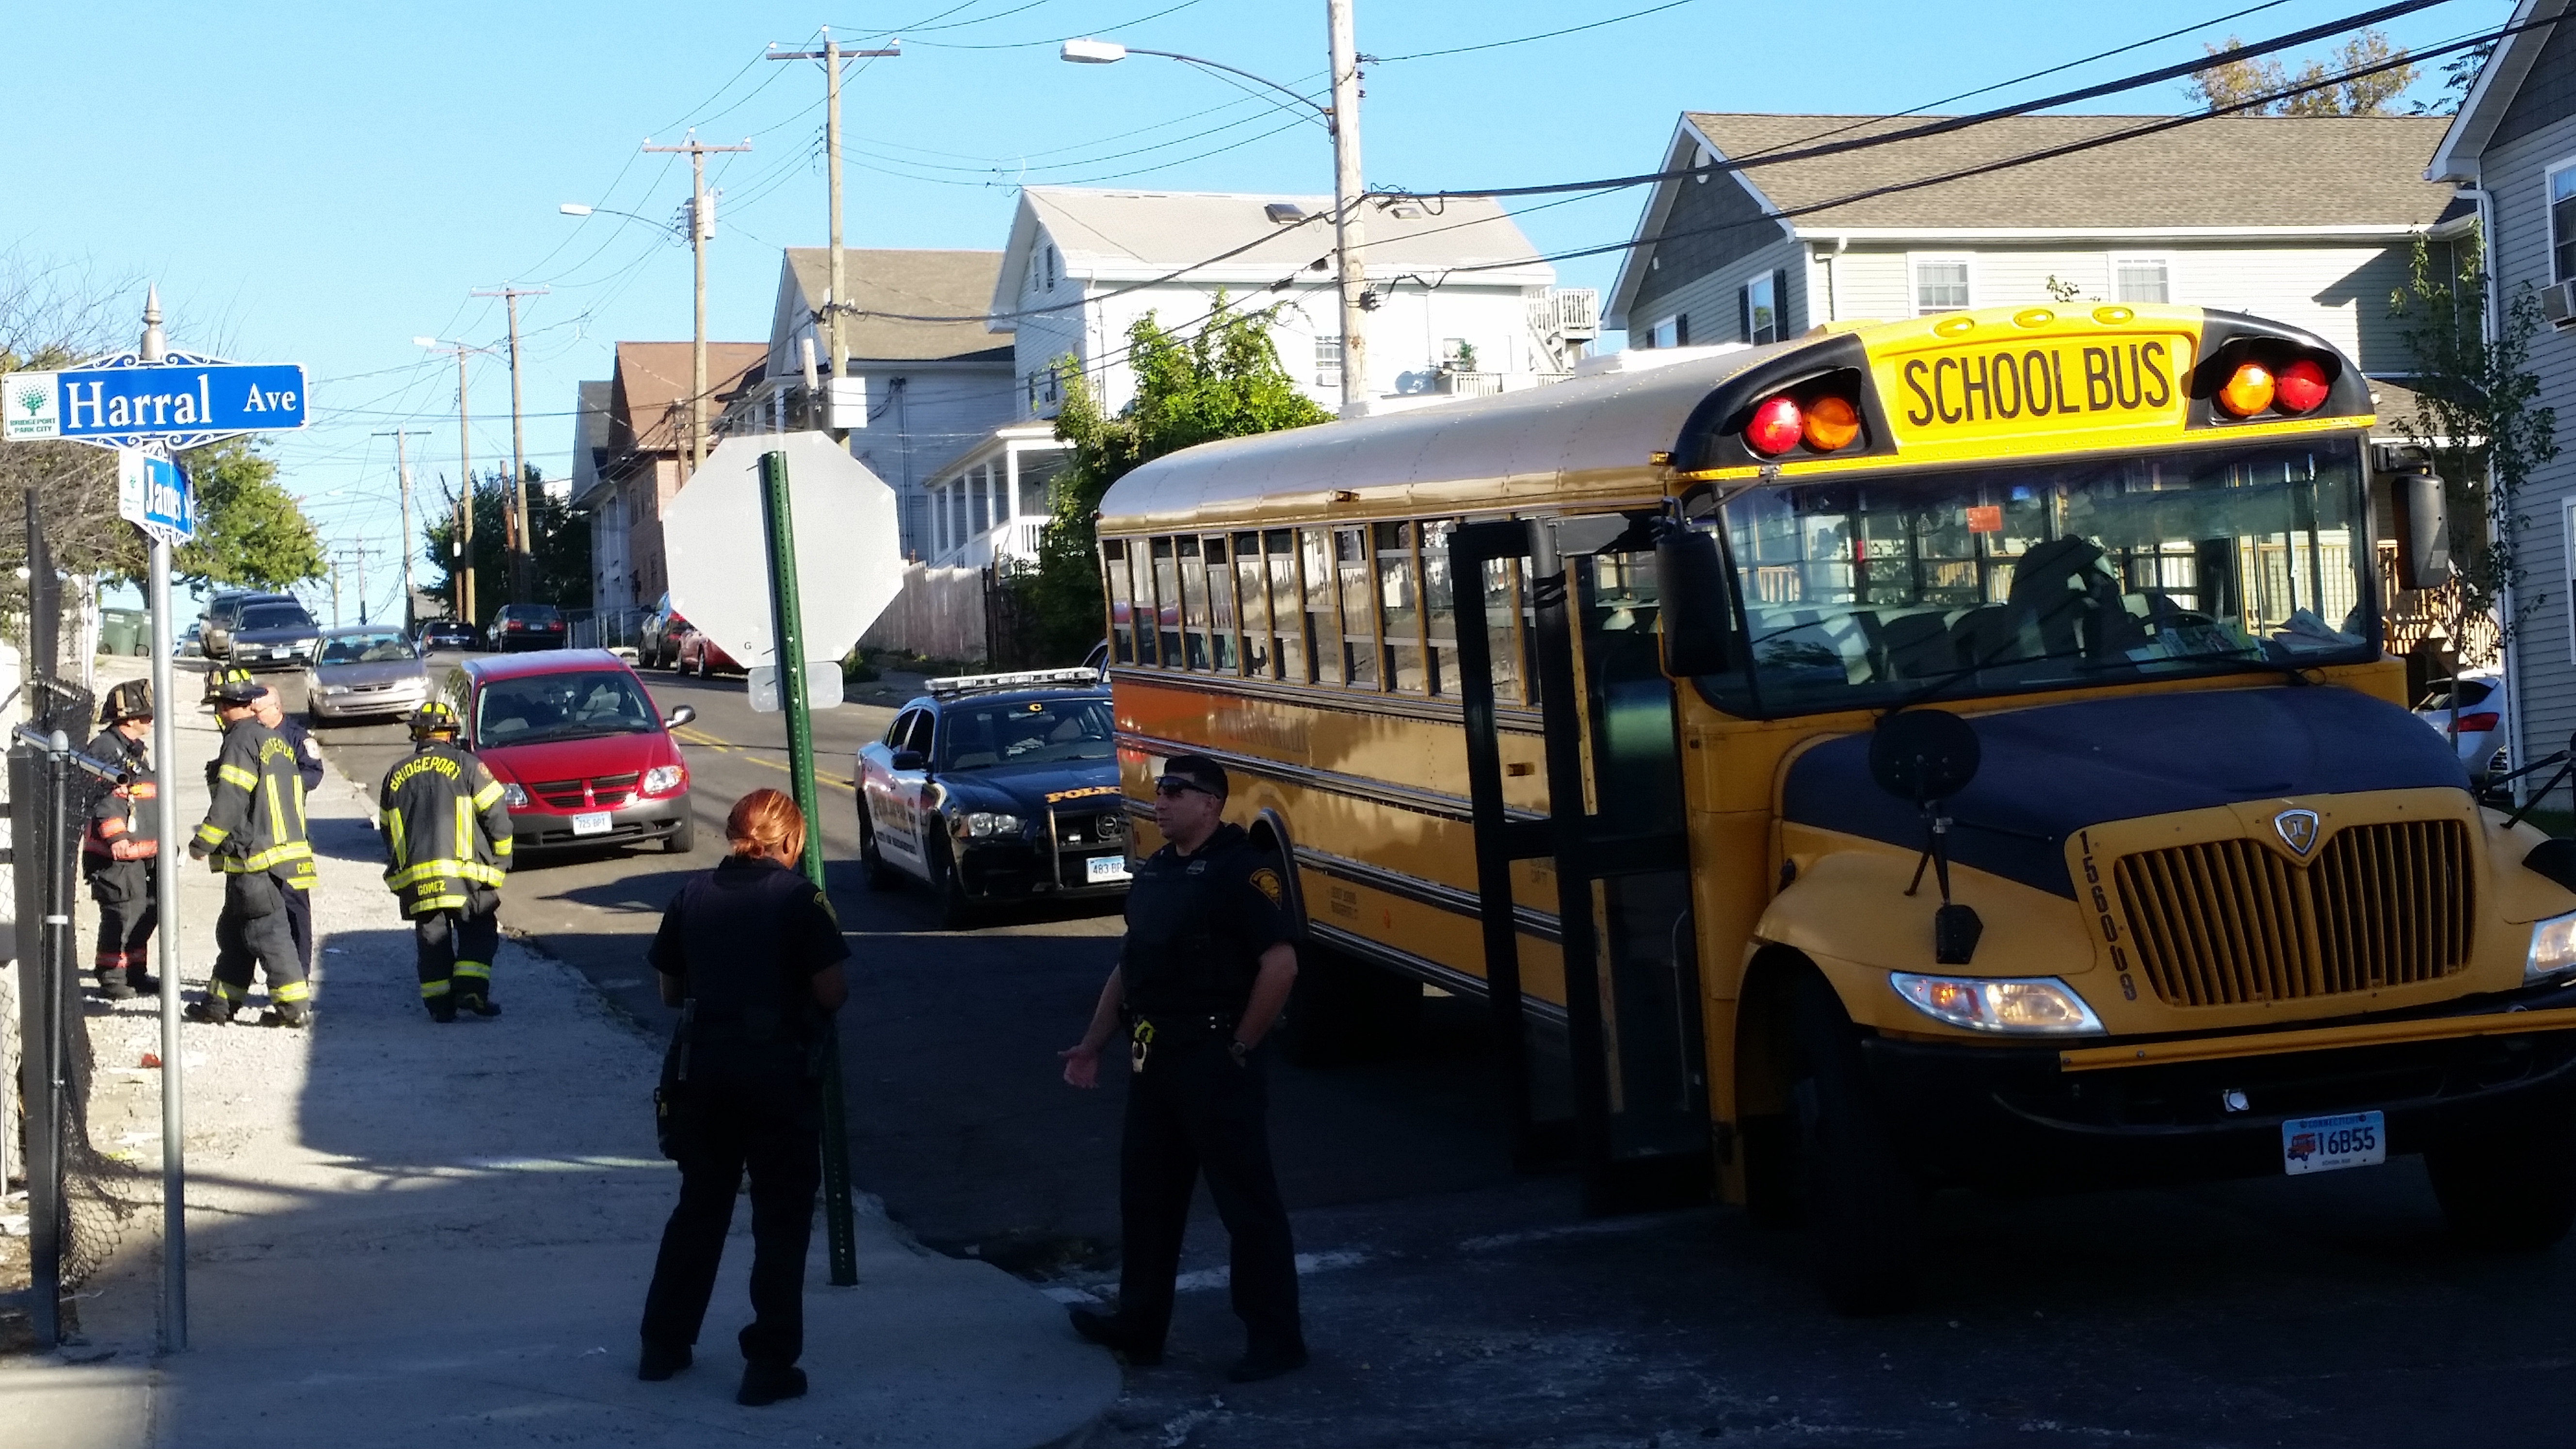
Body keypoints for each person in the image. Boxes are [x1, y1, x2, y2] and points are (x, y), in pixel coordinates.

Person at [1058, 754, 1306, 1382]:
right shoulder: (1158, 871)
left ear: (1211, 804)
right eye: (1159, 789)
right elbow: (1130, 966)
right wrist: (1092, 1044)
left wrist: (1241, 1047)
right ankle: (1139, 1327)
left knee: (1246, 1207)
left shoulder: (1243, 871)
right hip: (1156, 1061)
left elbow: (1280, 966)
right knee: (1147, 1201)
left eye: (1174, 791)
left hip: (1214, 1058)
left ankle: (1275, 1340)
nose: (1160, 800)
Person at [637, 789, 849, 1407]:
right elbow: (832, 992)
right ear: (791, 840)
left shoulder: (691, 895)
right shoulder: (801, 900)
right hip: (776, 1075)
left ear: (731, 833)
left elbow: (669, 992)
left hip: (702, 1074)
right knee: (780, 1220)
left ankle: (662, 1346)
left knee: (699, 1209)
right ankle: (767, 1364)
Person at [185, 671, 317, 1027]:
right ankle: (219, 1005)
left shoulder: (240, 741)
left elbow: (231, 800)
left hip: (254, 858)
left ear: (225, 707)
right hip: (281, 855)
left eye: (219, 706)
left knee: (266, 931)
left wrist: (202, 843)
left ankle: (293, 1009)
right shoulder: (274, 739)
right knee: (236, 934)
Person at [377, 701, 513, 1022]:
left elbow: (387, 829)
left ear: (418, 734)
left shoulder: (395, 775)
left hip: (419, 878)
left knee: (431, 939)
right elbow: (497, 817)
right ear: (451, 734)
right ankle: (470, 990)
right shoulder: (469, 766)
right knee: (478, 930)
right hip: (466, 878)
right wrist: (501, 861)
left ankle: (439, 1006)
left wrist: (401, 871)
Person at [82, 680, 161, 1000]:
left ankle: (135, 971)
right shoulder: (106, 749)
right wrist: (117, 836)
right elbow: (103, 797)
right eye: (145, 715)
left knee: (146, 910)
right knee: (123, 911)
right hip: (115, 854)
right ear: (127, 718)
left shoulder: (132, 750)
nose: (150, 720)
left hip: (139, 851)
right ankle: (112, 975)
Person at [256, 684, 327, 982]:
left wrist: (282, 782)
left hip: (291, 833)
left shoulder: (298, 737)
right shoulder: (252, 736)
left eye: (259, 710)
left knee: (295, 905)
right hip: (260, 833)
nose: (255, 716)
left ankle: (301, 970)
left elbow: (314, 774)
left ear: (277, 708)